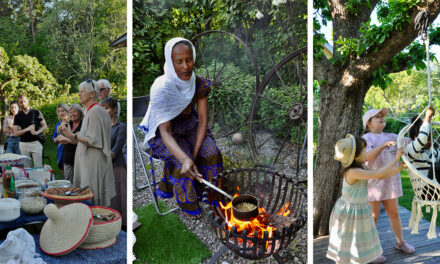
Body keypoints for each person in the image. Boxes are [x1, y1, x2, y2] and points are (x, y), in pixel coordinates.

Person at [139, 37, 223, 219]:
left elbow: (202, 119)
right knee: (182, 165)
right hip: (167, 134)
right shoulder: (161, 88)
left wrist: (194, 153)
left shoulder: (198, 83)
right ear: (170, 62)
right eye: (179, 62)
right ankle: (189, 204)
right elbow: (165, 132)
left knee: (211, 152)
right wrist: (185, 158)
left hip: (191, 127)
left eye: (189, 60)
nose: (186, 66)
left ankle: (211, 196)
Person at [328, 134, 405, 264]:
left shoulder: (361, 168)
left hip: (358, 210)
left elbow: (380, 175)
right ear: (356, 156)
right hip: (349, 212)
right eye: (365, 150)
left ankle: (365, 257)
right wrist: (395, 159)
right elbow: (377, 174)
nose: (367, 152)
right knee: (349, 240)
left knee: (360, 238)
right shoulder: (353, 172)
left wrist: (396, 169)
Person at [362, 108, 415, 254]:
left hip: (390, 182)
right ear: (368, 124)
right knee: (374, 216)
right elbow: (369, 157)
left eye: (382, 116)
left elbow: (410, 142)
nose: (382, 118)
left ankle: (400, 242)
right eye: (377, 117)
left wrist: (417, 130)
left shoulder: (392, 136)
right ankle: (370, 248)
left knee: (394, 214)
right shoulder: (366, 139)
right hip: (374, 183)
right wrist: (383, 145)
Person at [59, 80, 115, 207]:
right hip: (88, 162)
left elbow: (93, 141)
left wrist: (73, 135)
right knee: (88, 197)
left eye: (82, 91)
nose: (79, 94)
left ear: (92, 93)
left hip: (92, 163)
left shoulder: (95, 111)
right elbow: (84, 137)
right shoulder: (91, 111)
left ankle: (95, 224)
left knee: (92, 199)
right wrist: (68, 133)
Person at [102, 97, 127, 226]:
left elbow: (115, 152)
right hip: (102, 167)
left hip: (116, 167)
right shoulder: (101, 127)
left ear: (114, 109)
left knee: (118, 200)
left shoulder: (121, 127)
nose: (103, 111)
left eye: (106, 108)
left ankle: (122, 226)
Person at [13, 95, 47, 168]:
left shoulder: (36, 112)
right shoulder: (18, 116)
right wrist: (27, 129)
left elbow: (44, 126)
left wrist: (37, 132)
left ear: (28, 101)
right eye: (21, 102)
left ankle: (39, 179)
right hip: (23, 144)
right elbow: (15, 133)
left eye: (25, 101)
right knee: (27, 167)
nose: (23, 104)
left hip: (36, 142)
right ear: (18, 104)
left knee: (38, 167)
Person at [55, 103, 84, 183]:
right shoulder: (68, 124)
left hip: (80, 157)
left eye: (74, 112)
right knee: (68, 182)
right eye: (70, 112)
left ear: (80, 112)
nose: (71, 114)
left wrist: (67, 140)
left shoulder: (84, 125)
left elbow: (82, 141)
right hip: (68, 157)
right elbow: (60, 139)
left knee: (80, 182)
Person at [52, 104, 69, 178]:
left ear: (67, 111)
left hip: (69, 150)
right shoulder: (57, 124)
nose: (61, 113)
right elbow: (54, 138)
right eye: (59, 111)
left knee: (70, 174)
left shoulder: (70, 123)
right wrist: (57, 138)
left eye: (63, 110)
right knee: (63, 171)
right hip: (60, 151)